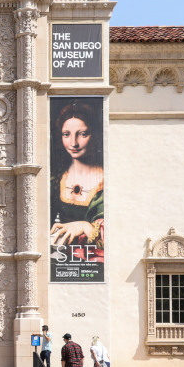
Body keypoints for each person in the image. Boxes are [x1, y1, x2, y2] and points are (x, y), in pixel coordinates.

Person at [49, 102, 104, 260]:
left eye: (82, 134)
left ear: (93, 135)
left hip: (95, 261)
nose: (73, 143)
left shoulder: (106, 181)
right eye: (66, 134)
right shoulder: (56, 179)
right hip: (59, 258)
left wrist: (85, 226)